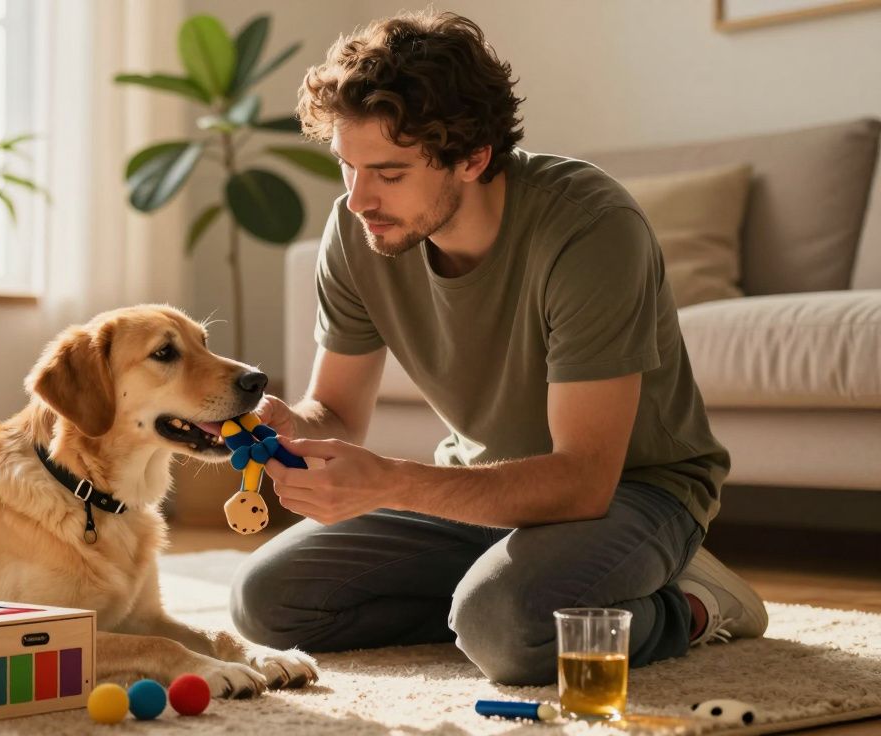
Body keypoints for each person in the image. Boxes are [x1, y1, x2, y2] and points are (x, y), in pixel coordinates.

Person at [229, 10, 768, 685]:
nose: (359, 199)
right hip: (476, 493)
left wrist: (391, 482)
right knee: (267, 602)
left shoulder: (591, 228)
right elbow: (335, 411)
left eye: (389, 174)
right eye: (347, 166)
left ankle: (691, 604)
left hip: (632, 494)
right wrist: (285, 425)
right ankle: (499, 597)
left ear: (473, 158)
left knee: (505, 628)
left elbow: (583, 480)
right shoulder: (356, 232)